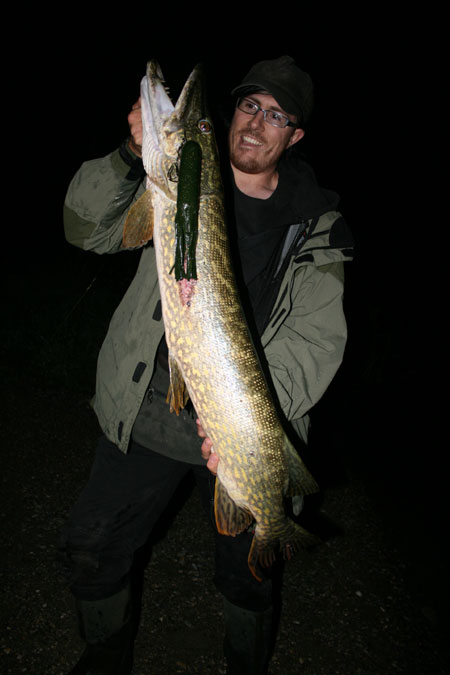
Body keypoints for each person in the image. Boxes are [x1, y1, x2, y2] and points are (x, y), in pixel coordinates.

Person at [60, 55, 354, 675]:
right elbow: (85, 229)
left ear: (294, 136)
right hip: (148, 408)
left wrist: (245, 423)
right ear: (231, 116)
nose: (256, 124)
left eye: (277, 116)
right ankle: (104, 654)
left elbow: (319, 342)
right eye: (249, 106)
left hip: (244, 429)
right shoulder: (177, 185)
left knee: (248, 576)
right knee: (94, 543)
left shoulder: (318, 228)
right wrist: (128, 154)